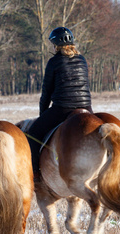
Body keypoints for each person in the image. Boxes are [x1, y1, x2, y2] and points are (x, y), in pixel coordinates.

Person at [26, 27, 92, 181]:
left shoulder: (54, 62)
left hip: (63, 108)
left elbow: (46, 92)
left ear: (56, 45)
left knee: (33, 135)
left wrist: (43, 115)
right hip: (85, 106)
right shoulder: (82, 59)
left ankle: (36, 175)